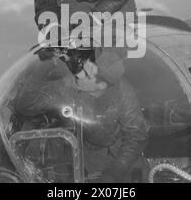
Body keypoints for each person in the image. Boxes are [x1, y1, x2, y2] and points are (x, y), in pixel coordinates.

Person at [14, 47, 147, 182]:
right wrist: (42, 69)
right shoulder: (70, 85)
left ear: (101, 85)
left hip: (116, 155)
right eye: (82, 68)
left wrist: (114, 173)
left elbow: (136, 137)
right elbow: (25, 107)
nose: (79, 75)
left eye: (87, 75)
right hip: (81, 151)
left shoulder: (124, 94)